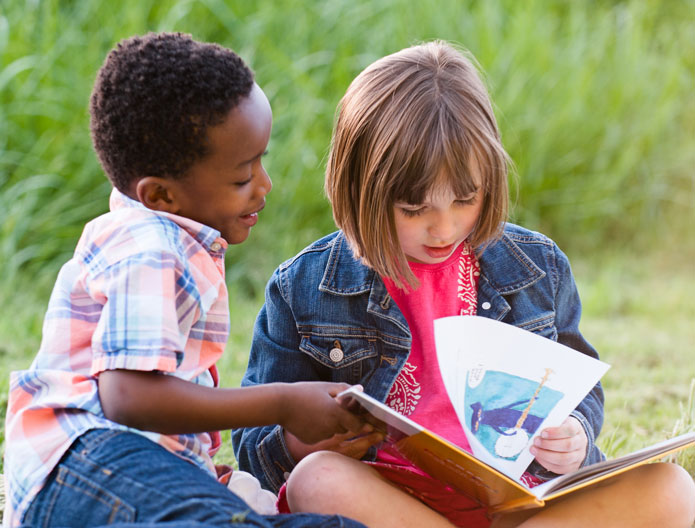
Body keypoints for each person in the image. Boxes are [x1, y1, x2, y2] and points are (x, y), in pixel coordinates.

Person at [232, 41, 695, 527]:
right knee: (317, 479)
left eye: (465, 200)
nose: (444, 228)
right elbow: (253, 446)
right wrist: (303, 441)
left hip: (521, 502)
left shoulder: (536, 266)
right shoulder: (305, 286)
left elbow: (578, 387)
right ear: (359, 190)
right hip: (393, 504)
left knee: (671, 489)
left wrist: (573, 435)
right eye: (414, 210)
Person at [3, 32, 368, 528]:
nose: (264, 185)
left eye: (261, 161)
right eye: (242, 177)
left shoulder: (165, 239)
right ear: (161, 195)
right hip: (87, 461)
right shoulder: (149, 245)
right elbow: (130, 397)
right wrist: (283, 401)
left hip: (113, 471)